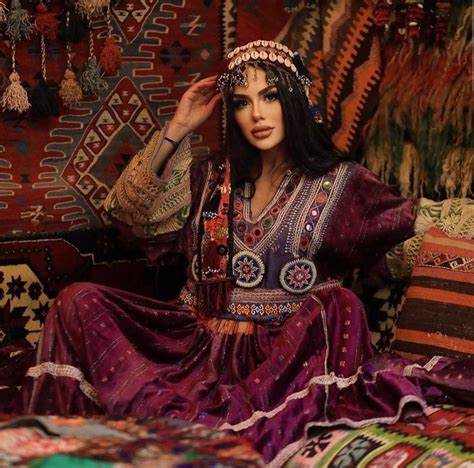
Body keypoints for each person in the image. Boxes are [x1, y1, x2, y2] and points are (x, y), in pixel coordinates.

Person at [2, 40, 473, 466]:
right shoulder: (210, 178)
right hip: (195, 346)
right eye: (242, 103)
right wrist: (179, 127)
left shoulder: (343, 185)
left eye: (270, 97)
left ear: (294, 100)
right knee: (78, 299)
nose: (258, 114)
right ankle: (141, 429)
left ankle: (242, 427)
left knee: (338, 305)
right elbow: (133, 215)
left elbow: (420, 225)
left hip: (285, 355)